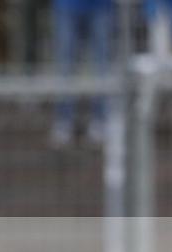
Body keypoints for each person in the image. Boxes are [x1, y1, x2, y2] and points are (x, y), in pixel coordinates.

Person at [51, 0, 114, 146]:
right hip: (67, 6)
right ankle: (64, 120)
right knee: (65, 66)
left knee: (101, 66)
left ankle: (100, 120)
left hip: (100, 6)